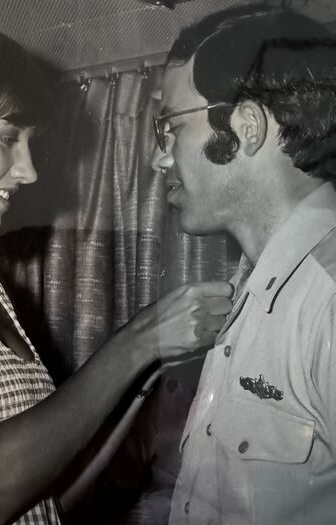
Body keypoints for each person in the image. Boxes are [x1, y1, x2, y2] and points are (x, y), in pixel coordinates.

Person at [0, 23, 234, 524]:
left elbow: (44, 495)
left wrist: (147, 370)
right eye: (7, 138)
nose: (29, 170)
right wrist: (138, 340)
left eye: (29, 143)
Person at [151, 4, 336, 525]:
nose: (159, 158)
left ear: (248, 127)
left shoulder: (328, 299)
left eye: (170, 127)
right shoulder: (251, 285)